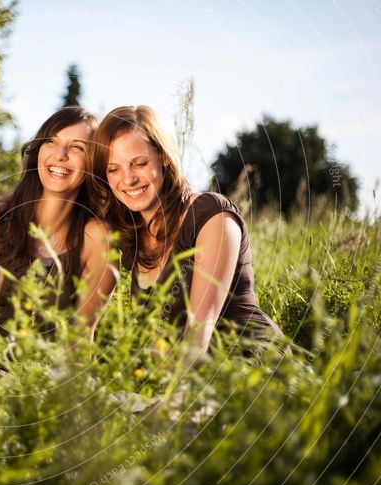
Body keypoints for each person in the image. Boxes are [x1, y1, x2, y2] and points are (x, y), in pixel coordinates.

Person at [89, 105, 282, 359]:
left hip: (253, 372)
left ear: (164, 158)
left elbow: (198, 335)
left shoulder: (212, 215)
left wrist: (167, 398)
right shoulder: (131, 239)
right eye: (113, 169)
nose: (128, 179)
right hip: (189, 383)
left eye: (139, 163)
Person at [0, 107, 117, 337]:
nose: (60, 155)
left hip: (45, 372)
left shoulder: (97, 239)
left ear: (93, 164)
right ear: (38, 150)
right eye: (51, 142)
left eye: (77, 147)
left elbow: (78, 345)